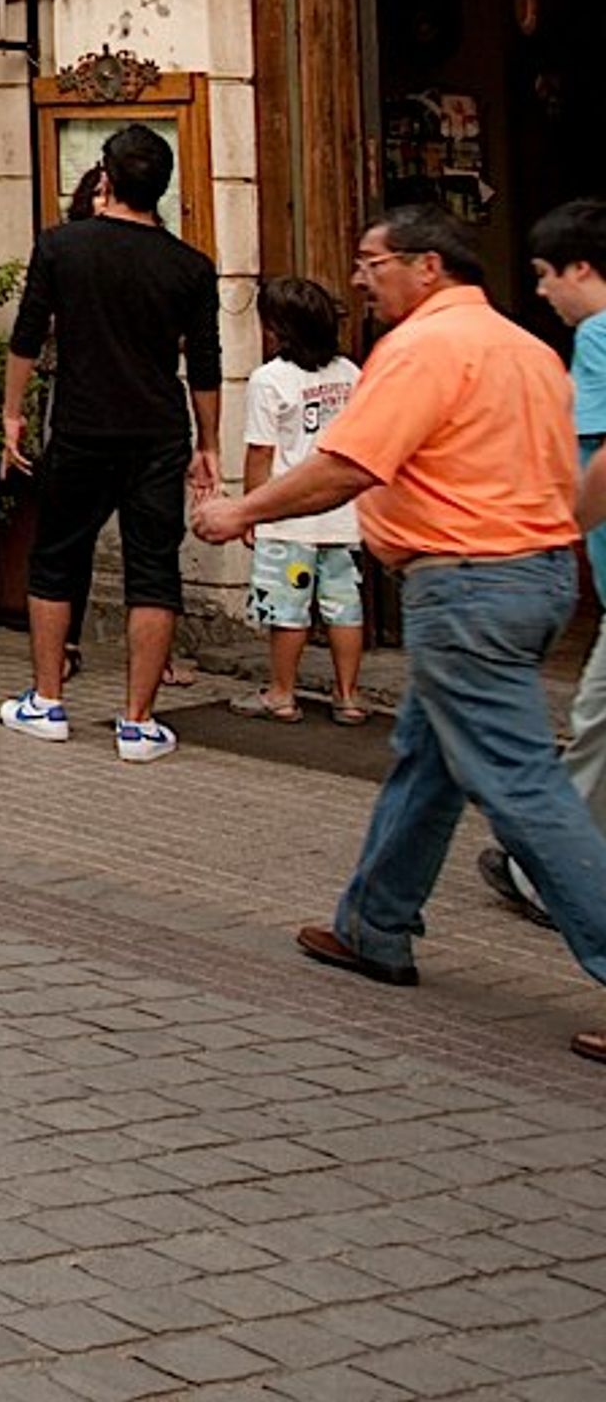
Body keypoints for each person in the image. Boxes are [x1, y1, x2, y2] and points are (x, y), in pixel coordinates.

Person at [192, 204, 606, 1060]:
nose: (358, 279)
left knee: (521, 785)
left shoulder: (424, 348)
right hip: (532, 575)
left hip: (467, 582)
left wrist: (244, 513)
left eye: (371, 261)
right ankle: (374, 923)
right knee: (428, 756)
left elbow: (348, 464)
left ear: (427, 267)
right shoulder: (528, 350)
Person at [0, 121, 221, 761]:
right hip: (157, 430)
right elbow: (204, 363)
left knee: (56, 559)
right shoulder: (190, 267)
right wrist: (208, 442)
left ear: (107, 177)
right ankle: (138, 721)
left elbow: (28, 335)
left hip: (82, 425)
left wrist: (13, 414)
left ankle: (47, 701)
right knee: (154, 569)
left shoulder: (62, 247)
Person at [485, 198, 606, 930]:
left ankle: (544, 874)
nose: (540, 292)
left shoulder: (597, 338)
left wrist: (556, 530)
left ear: (581, 268)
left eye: (544, 275)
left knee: (593, 727)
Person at [232, 273, 367, 723]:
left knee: (288, 609)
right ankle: (347, 695)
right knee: (344, 607)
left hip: (287, 513)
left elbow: (260, 452)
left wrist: (250, 510)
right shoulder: (351, 373)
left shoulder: (269, 379)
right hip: (343, 512)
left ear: (278, 328)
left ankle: (281, 693)